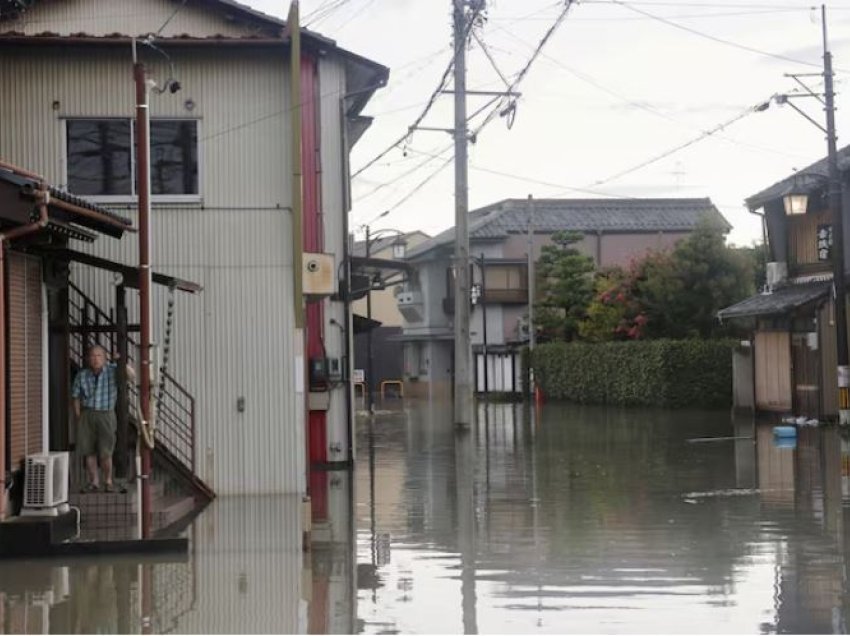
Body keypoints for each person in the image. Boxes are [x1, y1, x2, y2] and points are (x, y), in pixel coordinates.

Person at [71, 345, 136, 493]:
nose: (95, 359)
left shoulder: (112, 370)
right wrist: (78, 415)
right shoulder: (82, 375)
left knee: (106, 451)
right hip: (87, 413)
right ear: (88, 359)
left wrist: (121, 362)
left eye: (99, 356)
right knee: (88, 451)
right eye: (92, 356)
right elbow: (75, 396)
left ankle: (108, 480)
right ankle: (94, 481)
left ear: (105, 358)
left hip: (106, 413)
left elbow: (132, 376)